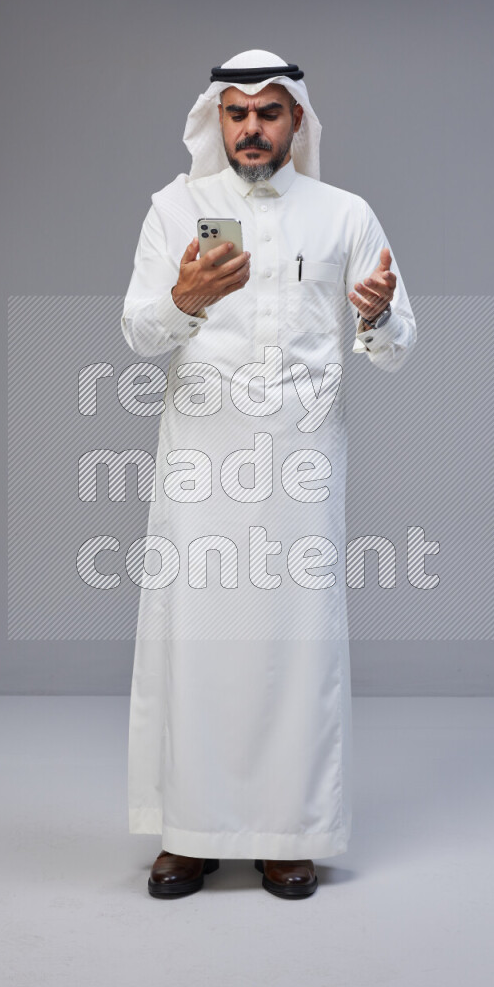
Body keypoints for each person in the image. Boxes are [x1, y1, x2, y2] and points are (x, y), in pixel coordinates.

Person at [120, 49, 416, 899]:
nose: (253, 127)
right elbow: (138, 333)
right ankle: (189, 833)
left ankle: (292, 832)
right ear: (218, 119)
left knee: (296, 645)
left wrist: (382, 314)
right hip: (202, 467)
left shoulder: (345, 215)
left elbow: (397, 349)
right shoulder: (175, 208)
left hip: (300, 468)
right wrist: (181, 299)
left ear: (297, 122)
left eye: (271, 111)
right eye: (238, 111)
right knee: (196, 642)